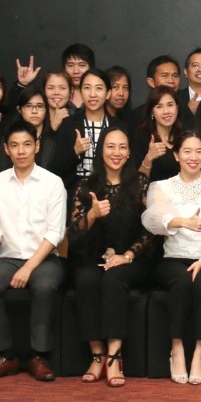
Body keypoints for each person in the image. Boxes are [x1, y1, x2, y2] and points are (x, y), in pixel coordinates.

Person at [0, 121, 68, 382]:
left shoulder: (52, 183)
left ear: (36, 146)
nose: (21, 151)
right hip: (7, 257)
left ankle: (39, 356)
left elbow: (55, 233)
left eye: (27, 144)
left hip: (44, 257)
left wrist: (28, 268)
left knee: (45, 286)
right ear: (6, 149)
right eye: (14, 145)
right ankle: (6, 356)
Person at [141, 132, 201, 385]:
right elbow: (152, 221)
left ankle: (200, 352)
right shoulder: (161, 187)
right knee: (181, 281)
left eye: (199, 151)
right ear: (176, 155)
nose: (193, 157)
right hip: (174, 257)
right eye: (187, 151)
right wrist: (183, 221)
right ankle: (177, 349)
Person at [68, 126, 151, 387]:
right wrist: (92, 215)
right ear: (100, 150)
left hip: (131, 260)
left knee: (114, 278)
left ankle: (115, 356)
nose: (116, 152)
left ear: (129, 153)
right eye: (110, 146)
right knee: (86, 279)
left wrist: (128, 255)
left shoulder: (140, 184)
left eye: (122, 147)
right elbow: (74, 234)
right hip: (93, 258)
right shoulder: (85, 186)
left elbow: (151, 230)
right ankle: (97, 354)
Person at [0, 84, 77, 183]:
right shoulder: (11, 137)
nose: (34, 111)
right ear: (19, 109)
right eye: (28, 106)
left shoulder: (57, 138)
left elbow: (64, 174)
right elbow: (1, 172)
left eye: (39, 106)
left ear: (46, 109)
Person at [68, 68, 115, 182]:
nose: (92, 94)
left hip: (109, 188)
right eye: (87, 88)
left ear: (108, 93)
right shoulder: (69, 124)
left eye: (98, 88)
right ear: (80, 92)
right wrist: (75, 151)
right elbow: (55, 168)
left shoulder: (118, 126)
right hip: (76, 188)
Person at [133, 86, 183, 182]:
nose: (166, 111)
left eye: (170, 105)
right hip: (154, 191)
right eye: (159, 106)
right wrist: (149, 158)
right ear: (152, 112)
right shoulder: (142, 138)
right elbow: (137, 183)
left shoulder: (185, 136)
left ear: (177, 107)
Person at [61, 42, 96, 109]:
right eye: (70, 65)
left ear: (90, 68)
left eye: (81, 65)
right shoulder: (56, 95)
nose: (76, 71)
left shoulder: (98, 95)